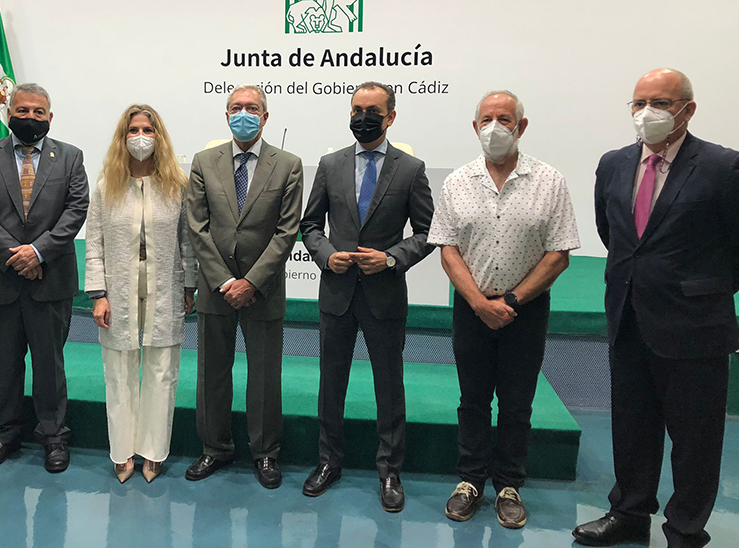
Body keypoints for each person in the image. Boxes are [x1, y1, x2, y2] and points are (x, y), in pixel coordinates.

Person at [573, 68, 739, 548]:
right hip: (628, 316)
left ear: (688, 109)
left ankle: (686, 529)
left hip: (695, 326)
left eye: (661, 103)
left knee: (696, 439)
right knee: (631, 426)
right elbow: (616, 236)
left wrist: (700, 290)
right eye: (639, 102)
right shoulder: (613, 164)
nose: (647, 112)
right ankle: (628, 512)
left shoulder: (723, 168)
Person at [428, 90, 580, 529]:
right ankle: (471, 480)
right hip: (471, 310)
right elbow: (449, 250)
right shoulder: (458, 182)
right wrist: (478, 302)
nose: (495, 126)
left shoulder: (550, 181)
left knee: (517, 402)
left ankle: (509, 485)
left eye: (505, 118)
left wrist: (511, 301)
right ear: (475, 127)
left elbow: (558, 254)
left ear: (522, 126)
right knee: (473, 399)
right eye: (487, 118)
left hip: (525, 311)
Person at [299, 81, 435, 512]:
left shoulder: (411, 169)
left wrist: (392, 258)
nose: (363, 116)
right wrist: (326, 255)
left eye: (373, 110)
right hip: (337, 292)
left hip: (384, 294)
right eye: (357, 108)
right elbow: (310, 225)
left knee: (389, 385)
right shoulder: (329, 164)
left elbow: (430, 232)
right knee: (331, 383)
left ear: (391, 116)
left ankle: (390, 470)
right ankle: (328, 462)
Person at [0, 83, 89, 474]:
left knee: (50, 363)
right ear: (8, 113)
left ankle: (53, 435)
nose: (30, 117)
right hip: (1, 278)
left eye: (38, 112)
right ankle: (5, 434)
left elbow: (76, 209)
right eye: (22, 110)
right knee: (5, 361)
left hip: (50, 278)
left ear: (50, 117)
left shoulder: (69, 157)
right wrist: (16, 256)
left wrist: (37, 252)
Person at [184, 84, 304, 489]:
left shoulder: (288, 164)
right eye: (236, 107)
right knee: (211, 373)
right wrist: (223, 281)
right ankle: (214, 448)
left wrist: (251, 281)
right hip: (216, 287)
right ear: (226, 114)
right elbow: (197, 226)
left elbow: (287, 231)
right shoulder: (204, 162)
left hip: (263, 289)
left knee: (265, 376)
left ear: (265, 116)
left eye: (252, 107)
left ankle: (266, 452)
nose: (244, 113)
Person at [85, 104, 197, 483]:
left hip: (165, 290)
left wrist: (188, 285)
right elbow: (95, 244)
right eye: (133, 130)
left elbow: (187, 242)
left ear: (159, 136)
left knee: (162, 372)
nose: (140, 137)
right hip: (117, 292)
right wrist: (99, 293)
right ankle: (122, 451)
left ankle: (153, 451)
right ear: (122, 137)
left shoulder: (176, 187)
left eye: (148, 129)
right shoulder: (106, 187)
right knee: (118, 373)